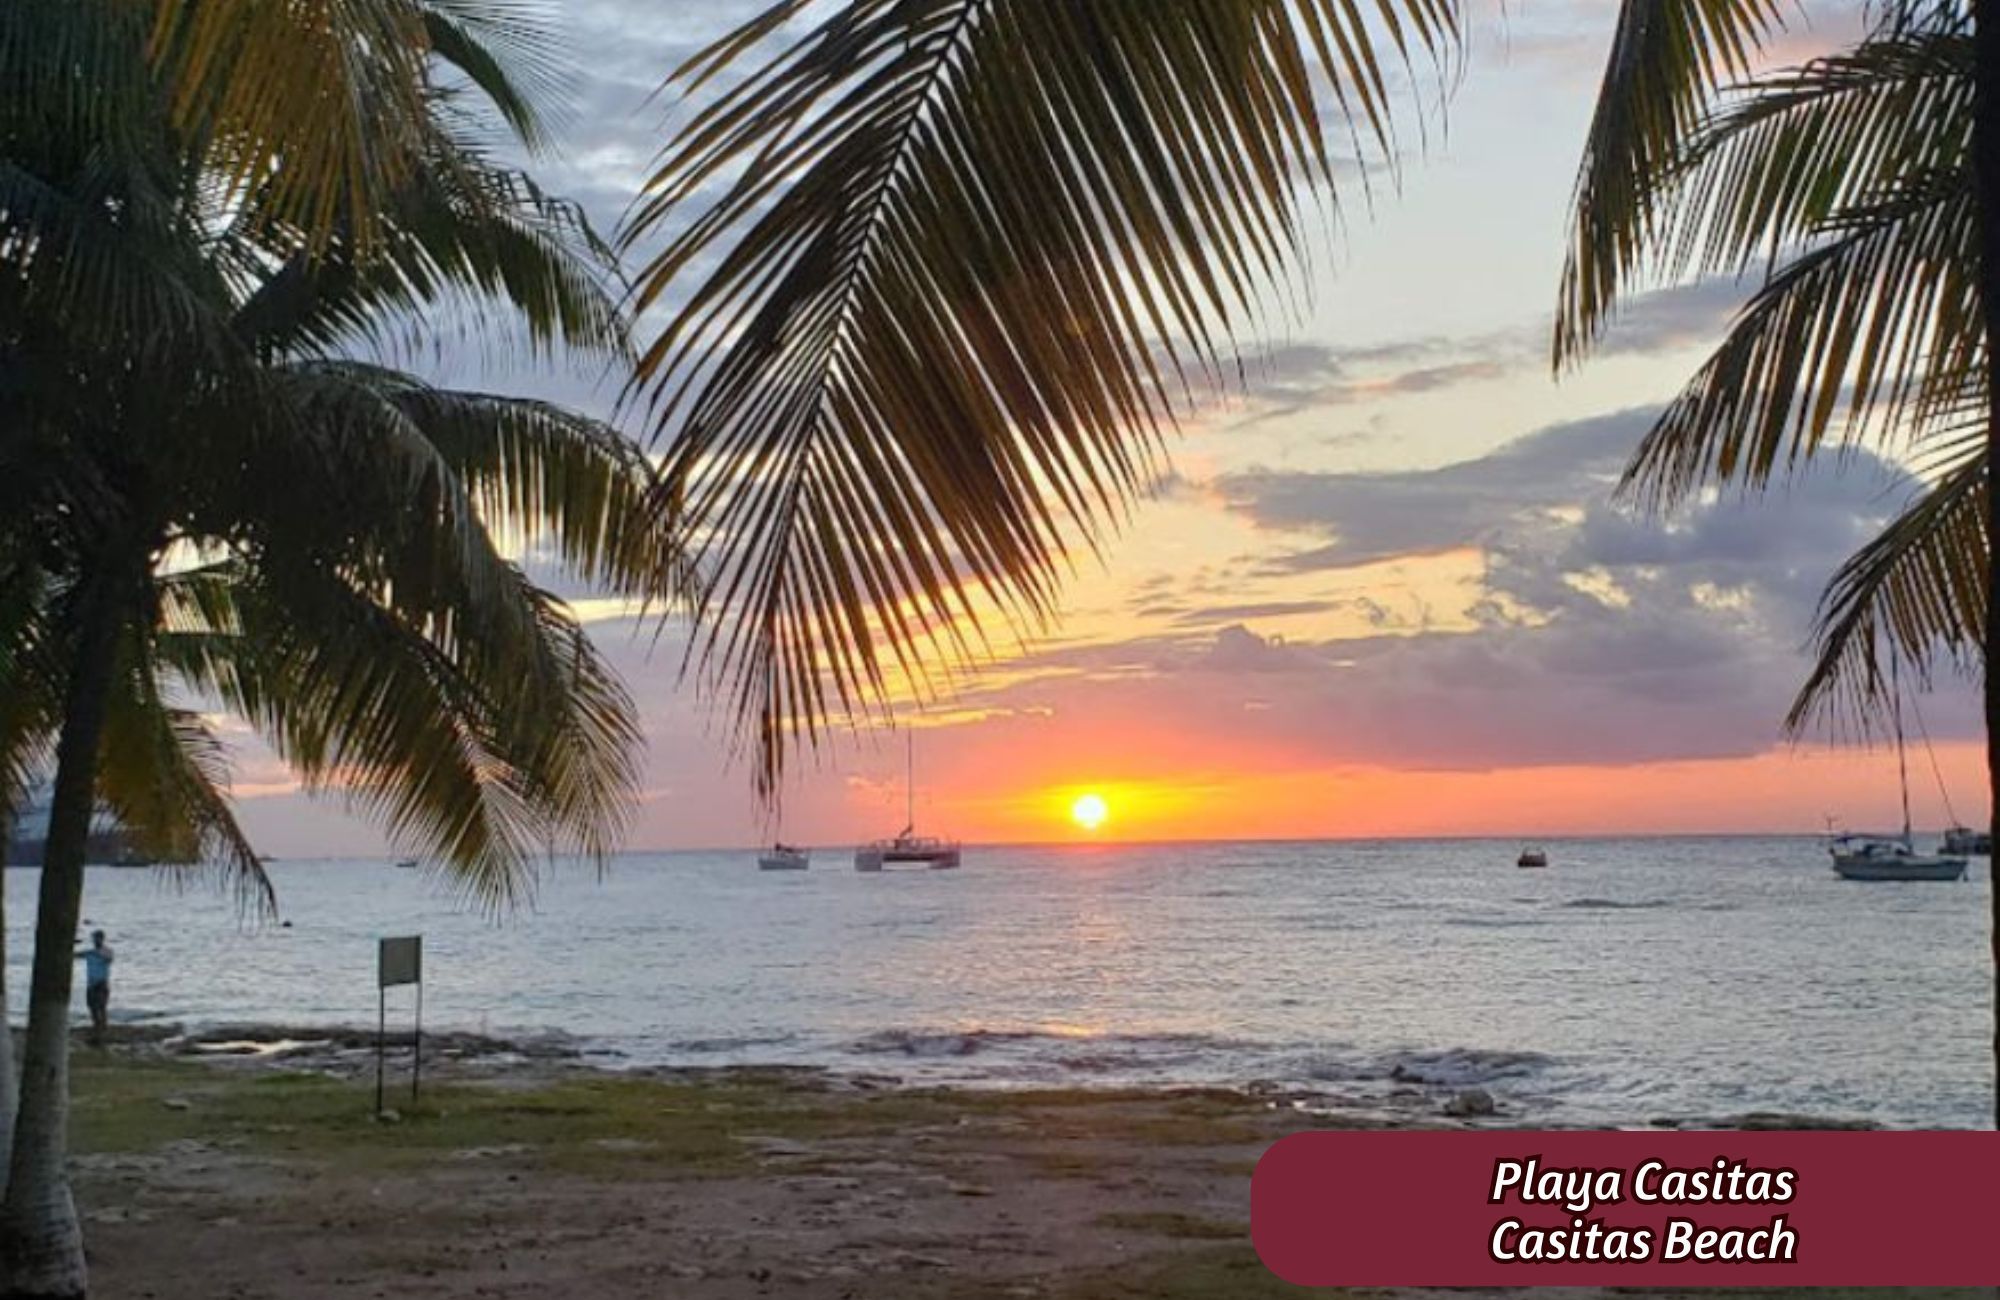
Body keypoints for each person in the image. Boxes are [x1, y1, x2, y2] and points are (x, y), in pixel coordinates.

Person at [76, 929, 113, 1045]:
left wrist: (96, 953)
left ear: (102, 939)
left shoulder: (107, 951)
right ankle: (97, 1030)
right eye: (94, 938)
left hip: (101, 984)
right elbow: (75, 955)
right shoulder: (90, 952)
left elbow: (109, 959)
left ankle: (103, 1033)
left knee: (101, 1008)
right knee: (92, 1008)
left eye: (97, 938)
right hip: (91, 985)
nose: (95, 940)